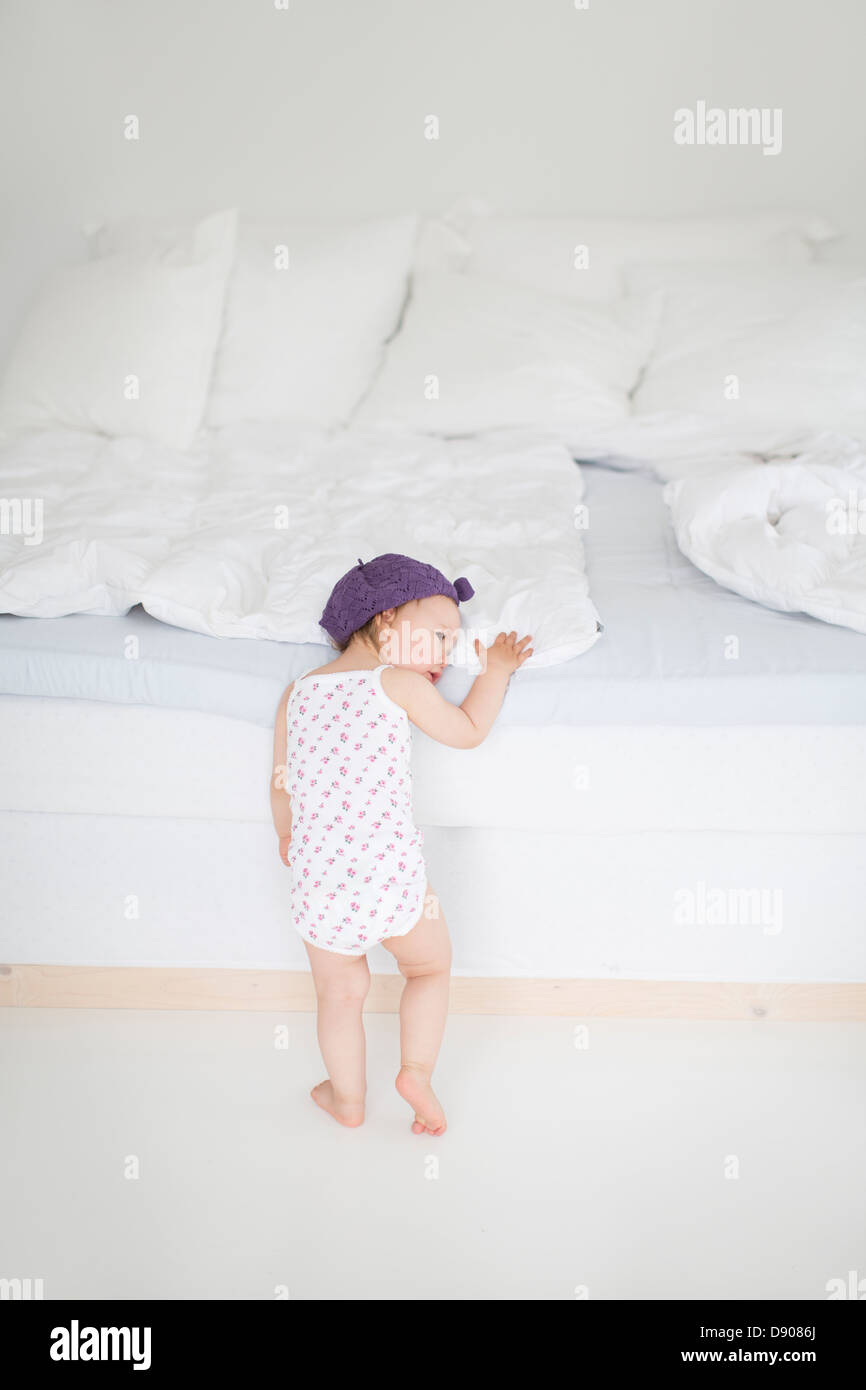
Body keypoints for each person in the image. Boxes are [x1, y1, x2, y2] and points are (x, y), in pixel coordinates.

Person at [271, 553, 532, 1135]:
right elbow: (466, 732)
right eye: (439, 636)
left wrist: (287, 833)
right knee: (429, 971)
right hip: (390, 877)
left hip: (319, 883)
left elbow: (280, 782)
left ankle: (348, 1101)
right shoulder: (396, 683)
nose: (445, 654)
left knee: (339, 997)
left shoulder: (297, 694)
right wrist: (496, 672)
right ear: (386, 620)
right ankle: (415, 1072)